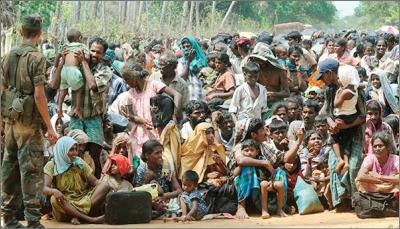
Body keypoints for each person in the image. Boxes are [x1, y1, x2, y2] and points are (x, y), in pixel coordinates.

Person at [1, 14, 57, 228]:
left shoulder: (7, 56)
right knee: (32, 171)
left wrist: (2, 121)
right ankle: (33, 221)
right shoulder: (37, 58)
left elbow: (1, 90)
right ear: (39, 33)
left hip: (11, 122)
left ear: (21, 32)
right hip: (29, 124)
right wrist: (50, 126)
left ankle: (9, 219)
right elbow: (39, 96)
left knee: (10, 168)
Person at [53, 36, 113, 179]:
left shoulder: (105, 70)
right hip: (76, 118)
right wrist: (62, 61)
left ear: (103, 55)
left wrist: (84, 63)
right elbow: (55, 85)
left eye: (98, 52)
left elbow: (93, 85)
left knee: (94, 155)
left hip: (93, 118)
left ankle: (94, 189)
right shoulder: (75, 66)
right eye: (92, 50)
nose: (94, 54)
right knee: (72, 154)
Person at [315, 58, 366, 211]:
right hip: (337, 133)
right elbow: (327, 112)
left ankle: (357, 202)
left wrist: (346, 124)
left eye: (323, 76)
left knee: (353, 167)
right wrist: (331, 124)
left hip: (355, 132)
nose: (322, 80)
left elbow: (363, 117)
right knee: (333, 165)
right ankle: (341, 203)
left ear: (330, 74)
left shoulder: (355, 91)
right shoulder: (329, 90)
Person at [232, 118, 304, 219]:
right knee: (247, 168)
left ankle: (280, 207)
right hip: (247, 188)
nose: (266, 132)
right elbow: (241, 161)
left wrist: (299, 141)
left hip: (264, 183)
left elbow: (285, 158)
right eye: (262, 130)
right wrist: (264, 163)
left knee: (280, 172)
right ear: (253, 135)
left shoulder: (263, 146)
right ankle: (241, 206)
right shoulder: (240, 146)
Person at [110, 62, 181, 156]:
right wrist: (141, 121)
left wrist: (174, 116)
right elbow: (130, 115)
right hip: (139, 133)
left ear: (134, 76)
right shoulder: (130, 93)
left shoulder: (154, 85)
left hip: (157, 130)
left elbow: (177, 95)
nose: (126, 83)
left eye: (127, 79)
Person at [43, 136, 111, 225]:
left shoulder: (79, 162)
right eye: (71, 150)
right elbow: (44, 188)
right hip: (65, 203)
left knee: (105, 186)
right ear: (62, 150)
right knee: (54, 199)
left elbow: (94, 182)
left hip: (83, 198)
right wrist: (54, 191)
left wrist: (107, 187)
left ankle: (76, 216)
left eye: (76, 149)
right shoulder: (52, 165)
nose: (75, 153)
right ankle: (90, 219)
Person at [233, 139, 287, 219]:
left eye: (252, 150)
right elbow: (234, 174)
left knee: (277, 182)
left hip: (264, 187)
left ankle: (280, 209)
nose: (249, 152)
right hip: (251, 192)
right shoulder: (242, 162)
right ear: (242, 152)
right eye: (246, 150)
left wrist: (271, 182)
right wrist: (241, 165)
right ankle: (247, 207)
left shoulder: (261, 160)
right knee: (250, 171)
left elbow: (271, 172)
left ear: (257, 152)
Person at [134, 140, 182, 217]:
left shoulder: (165, 167)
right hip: (151, 200)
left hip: (167, 198)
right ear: (147, 155)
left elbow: (179, 190)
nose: (160, 156)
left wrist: (164, 196)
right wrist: (154, 200)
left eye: (161, 152)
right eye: (157, 153)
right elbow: (137, 192)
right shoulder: (142, 169)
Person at [331, 64, 360, 175]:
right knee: (346, 141)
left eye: (339, 77)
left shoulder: (344, 92)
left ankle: (340, 159)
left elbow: (336, 104)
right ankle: (346, 162)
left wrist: (338, 93)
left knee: (334, 138)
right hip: (351, 116)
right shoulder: (354, 90)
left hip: (342, 117)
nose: (338, 80)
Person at [248, 43, 289, 119]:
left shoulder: (280, 71)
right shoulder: (256, 71)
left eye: (260, 60)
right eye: (257, 60)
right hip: (260, 104)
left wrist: (273, 94)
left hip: (277, 104)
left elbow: (286, 93)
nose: (259, 62)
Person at [56, 29, 90, 119]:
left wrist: (56, 65)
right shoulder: (81, 46)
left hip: (64, 70)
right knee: (79, 90)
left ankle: (59, 106)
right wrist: (84, 59)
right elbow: (87, 57)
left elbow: (58, 56)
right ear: (80, 38)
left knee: (63, 90)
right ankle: (78, 108)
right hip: (73, 70)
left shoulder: (65, 46)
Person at [149, 51, 189, 121]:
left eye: (162, 65)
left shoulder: (182, 84)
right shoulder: (154, 77)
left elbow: (184, 108)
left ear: (171, 66)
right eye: (159, 64)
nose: (159, 67)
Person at [178, 36, 208, 101]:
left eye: (188, 46)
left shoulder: (203, 59)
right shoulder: (181, 62)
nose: (185, 49)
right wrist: (188, 61)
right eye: (183, 47)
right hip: (189, 93)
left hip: (202, 93)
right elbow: (183, 78)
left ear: (194, 46)